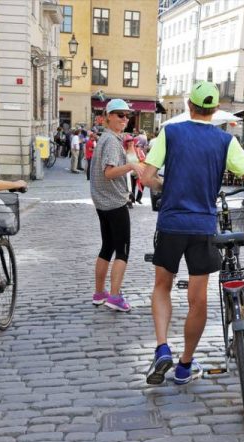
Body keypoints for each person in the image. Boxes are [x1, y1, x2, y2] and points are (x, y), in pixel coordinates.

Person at [141, 81, 244, 385]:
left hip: (172, 223)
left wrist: (165, 185)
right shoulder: (224, 141)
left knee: (162, 286)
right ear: (214, 110)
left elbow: (148, 177)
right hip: (203, 226)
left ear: (190, 105)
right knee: (197, 299)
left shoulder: (171, 133)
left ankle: (163, 348)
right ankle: (185, 365)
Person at [89, 99, 145, 311]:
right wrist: (131, 165)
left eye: (127, 115)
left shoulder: (108, 138)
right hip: (114, 202)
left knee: (107, 247)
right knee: (122, 251)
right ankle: (114, 296)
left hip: (103, 202)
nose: (125, 119)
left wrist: (129, 152)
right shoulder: (111, 141)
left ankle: (99, 292)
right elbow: (109, 172)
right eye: (120, 115)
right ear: (109, 116)